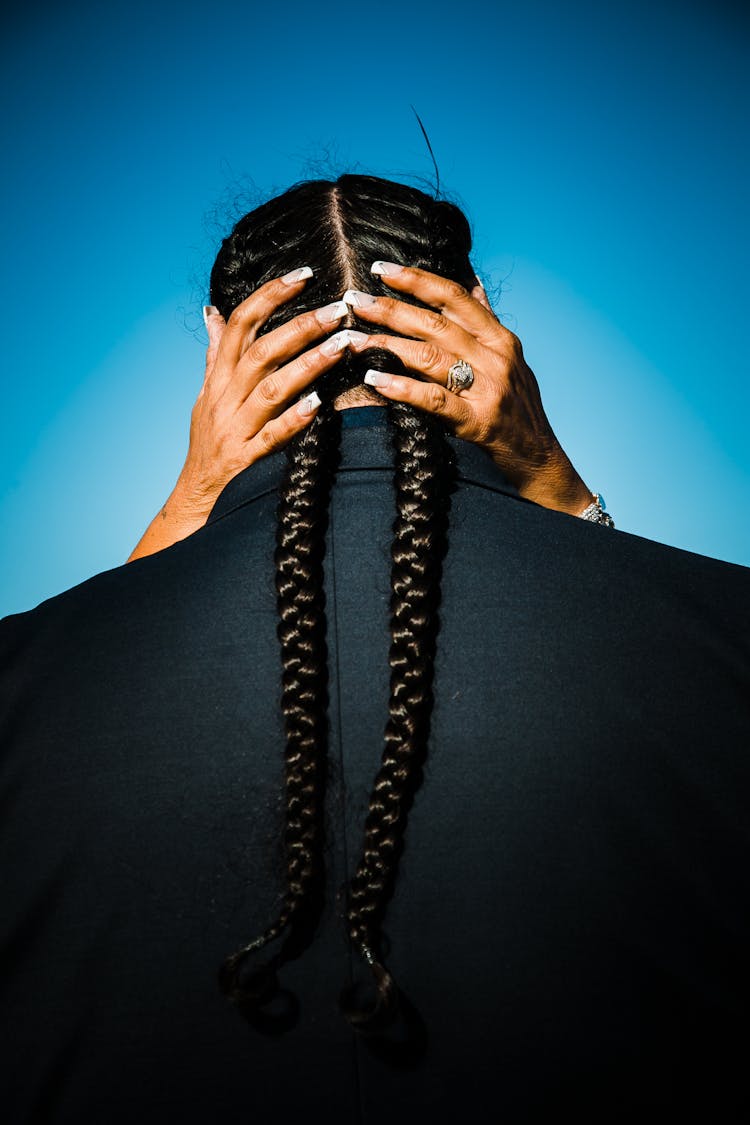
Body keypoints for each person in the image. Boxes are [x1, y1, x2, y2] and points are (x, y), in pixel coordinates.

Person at [1, 174, 748, 1124]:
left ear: (216, 342)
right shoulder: (723, 637)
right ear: (477, 321)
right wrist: (565, 495)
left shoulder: (25, 687)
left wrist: (181, 515)